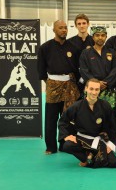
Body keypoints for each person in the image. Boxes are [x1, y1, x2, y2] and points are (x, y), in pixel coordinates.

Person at [37, 20, 80, 154]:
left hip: (70, 85)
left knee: (68, 117)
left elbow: (77, 69)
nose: (64, 30)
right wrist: (52, 83)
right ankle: (50, 147)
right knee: (51, 117)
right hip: (53, 85)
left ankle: (65, 143)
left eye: (65, 28)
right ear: (54, 30)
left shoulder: (73, 47)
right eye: (60, 28)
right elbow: (41, 69)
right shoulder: (45, 47)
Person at [58, 78, 116, 168]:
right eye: (91, 89)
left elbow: (113, 126)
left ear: (99, 90)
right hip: (82, 140)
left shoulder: (105, 105)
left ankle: (90, 156)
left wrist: (111, 144)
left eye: (96, 89)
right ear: (85, 89)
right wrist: (66, 135)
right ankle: (86, 158)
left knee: (113, 163)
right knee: (67, 145)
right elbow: (63, 121)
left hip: (99, 140)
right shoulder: (76, 106)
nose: (94, 92)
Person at [79, 26, 116, 110]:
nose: (100, 37)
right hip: (92, 91)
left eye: (102, 35)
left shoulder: (111, 52)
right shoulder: (86, 53)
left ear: (106, 37)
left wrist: (106, 82)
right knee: (90, 115)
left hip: (109, 91)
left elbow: (115, 69)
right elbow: (84, 71)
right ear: (93, 37)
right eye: (97, 35)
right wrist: (96, 83)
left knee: (110, 116)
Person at [68, 14, 95, 97]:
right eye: (79, 24)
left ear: (88, 24)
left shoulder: (94, 41)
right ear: (76, 26)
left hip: (91, 77)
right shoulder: (70, 42)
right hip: (75, 79)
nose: (82, 26)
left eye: (84, 23)